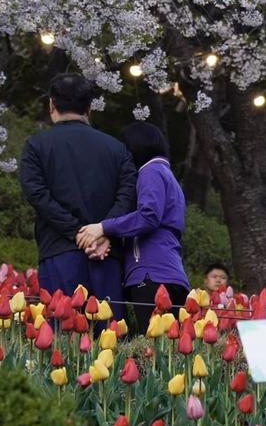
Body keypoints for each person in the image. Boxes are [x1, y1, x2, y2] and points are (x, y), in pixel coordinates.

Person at [18, 74, 137, 317]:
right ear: (89, 108)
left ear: (52, 105)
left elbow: (38, 195)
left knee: (63, 341)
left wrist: (76, 232)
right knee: (108, 341)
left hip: (59, 250)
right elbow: (128, 194)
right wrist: (103, 231)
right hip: (106, 253)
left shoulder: (36, 145)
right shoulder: (116, 148)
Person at [76, 122, 190, 330]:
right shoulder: (167, 174)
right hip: (171, 269)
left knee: (157, 343)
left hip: (150, 272)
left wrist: (103, 227)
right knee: (171, 346)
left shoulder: (150, 171)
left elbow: (148, 216)